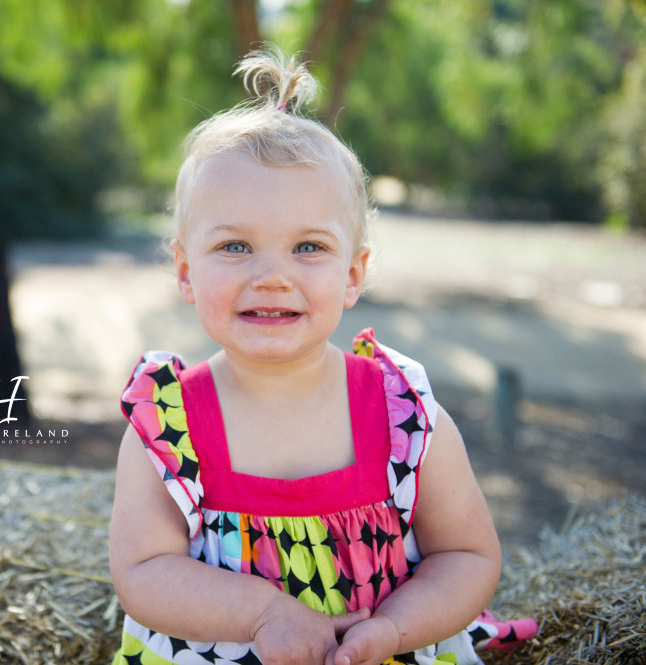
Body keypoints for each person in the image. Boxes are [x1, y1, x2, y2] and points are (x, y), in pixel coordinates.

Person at [108, 46, 537, 665]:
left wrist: (391, 631)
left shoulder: (402, 413)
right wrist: (264, 615)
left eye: (309, 247)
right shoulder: (166, 425)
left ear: (354, 274)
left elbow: (467, 556)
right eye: (234, 247)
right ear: (184, 271)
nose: (273, 276)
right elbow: (143, 572)